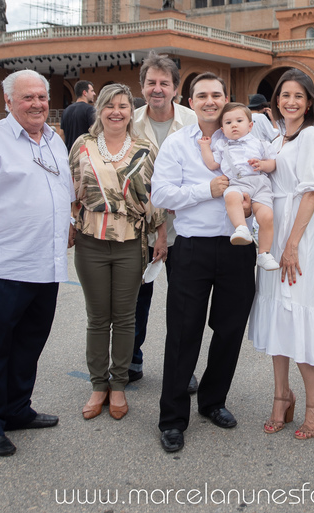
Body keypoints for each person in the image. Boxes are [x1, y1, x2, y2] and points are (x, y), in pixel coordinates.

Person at [0, 70, 73, 457]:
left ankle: (16, 409)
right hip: (6, 265)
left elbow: (61, 189)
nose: (37, 104)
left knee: (29, 343)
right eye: (28, 98)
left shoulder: (54, 139)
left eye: (42, 96)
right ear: (8, 101)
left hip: (48, 263)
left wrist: (69, 224)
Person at [150, 72, 256, 454]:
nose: (210, 101)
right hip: (192, 248)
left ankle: (213, 401)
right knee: (183, 332)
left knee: (229, 331)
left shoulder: (247, 138)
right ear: (189, 101)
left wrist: (253, 207)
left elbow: (270, 185)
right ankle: (172, 418)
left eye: (217, 95)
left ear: (227, 98)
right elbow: (161, 193)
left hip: (237, 247)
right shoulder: (178, 143)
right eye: (202, 96)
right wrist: (205, 190)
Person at [68, 84, 167, 423]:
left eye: (123, 106)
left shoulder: (145, 147)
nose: (116, 111)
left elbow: (157, 196)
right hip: (91, 240)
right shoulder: (82, 145)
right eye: (110, 105)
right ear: (99, 109)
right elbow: (69, 188)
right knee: (98, 318)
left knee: (125, 317)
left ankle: (119, 384)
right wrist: (69, 222)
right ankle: (98, 385)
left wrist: (162, 236)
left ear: (131, 111)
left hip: (131, 241)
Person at [247, 69, 314, 440]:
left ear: (309, 101)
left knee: (296, 310)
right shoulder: (277, 139)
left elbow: (313, 191)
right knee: (276, 313)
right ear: (276, 101)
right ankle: (281, 394)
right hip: (273, 231)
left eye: (298, 96)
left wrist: (293, 243)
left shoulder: (312, 136)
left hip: (298, 231)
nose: (291, 102)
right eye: (285, 95)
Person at [130, 52, 197, 385]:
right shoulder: (128, 122)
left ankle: (182, 371)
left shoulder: (193, 121)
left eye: (164, 83)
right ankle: (131, 360)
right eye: (151, 82)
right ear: (142, 86)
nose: (157, 89)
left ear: (175, 88)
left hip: (184, 227)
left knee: (183, 302)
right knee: (137, 297)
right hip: (140, 228)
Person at [198, 102, 279, 271]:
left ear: (250, 126)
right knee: (231, 197)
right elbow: (212, 164)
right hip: (237, 182)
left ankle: (264, 254)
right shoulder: (221, 145)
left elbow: (272, 163)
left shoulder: (260, 143)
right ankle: (241, 228)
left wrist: (262, 165)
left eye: (239, 121)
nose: (234, 125)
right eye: (228, 123)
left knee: (267, 216)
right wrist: (205, 147)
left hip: (259, 183)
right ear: (222, 128)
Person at [60, 80, 96, 149]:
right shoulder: (90, 110)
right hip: (84, 153)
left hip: (70, 154)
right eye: (92, 91)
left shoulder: (66, 111)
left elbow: (62, 135)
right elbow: (95, 132)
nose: (94, 93)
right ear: (84, 93)